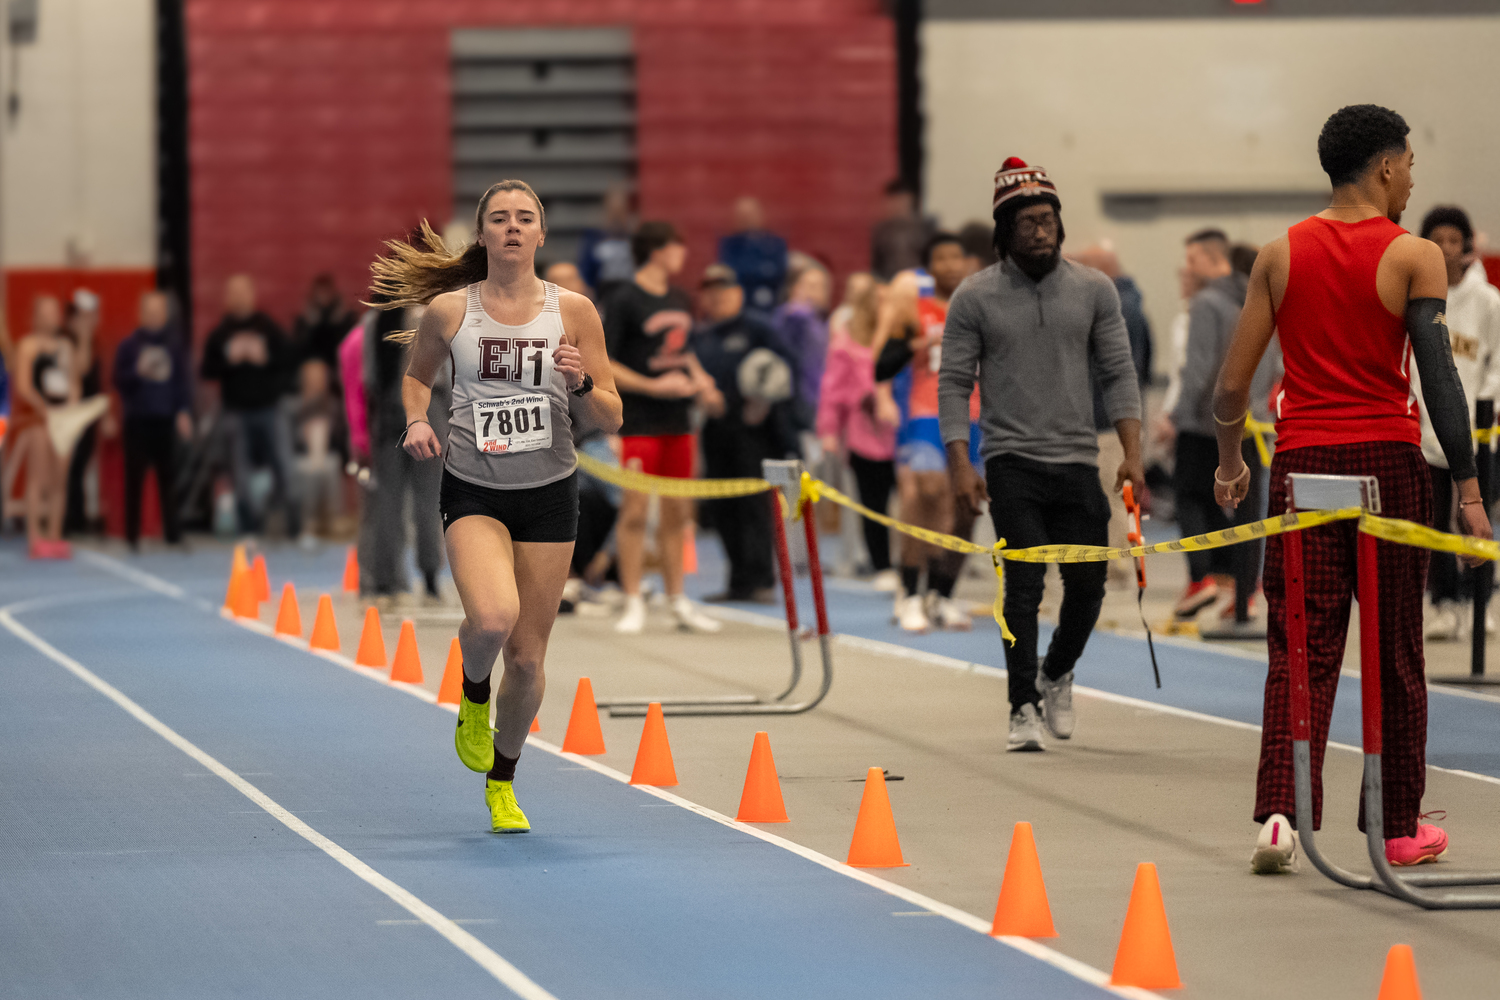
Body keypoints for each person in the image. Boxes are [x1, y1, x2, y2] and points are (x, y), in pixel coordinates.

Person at [1212, 104, 1491, 872]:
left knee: (1298, 644)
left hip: (1302, 466)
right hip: (1389, 468)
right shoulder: (1414, 256)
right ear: (1388, 167)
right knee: (1397, 648)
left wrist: (1233, 462)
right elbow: (1439, 382)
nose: (1410, 185)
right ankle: (1397, 826)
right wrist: (1469, 492)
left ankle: (1279, 814)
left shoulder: (1278, 255)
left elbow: (1230, 389)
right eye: (1409, 169)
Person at [372, 179, 623, 834]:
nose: (513, 227)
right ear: (482, 236)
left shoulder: (575, 312)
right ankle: (472, 693)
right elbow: (416, 376)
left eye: (525, 218)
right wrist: (416, 421)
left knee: (530, 660)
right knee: (490, 620)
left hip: (549, 491)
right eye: (500, 218)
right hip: (475, 486)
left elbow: (612, 416)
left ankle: (503, 782)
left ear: (541, 235)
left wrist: (581, 381)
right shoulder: (452, 311)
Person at [941, 157, 1144, 752]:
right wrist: (961, 461)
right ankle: (1020, 706)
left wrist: (1132, 454)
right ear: (1005, 230)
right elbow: (953, 382)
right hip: (1011, 460)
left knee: (1088, 589)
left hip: (1078, 460)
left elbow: (1119, 372)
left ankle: (1055, 672)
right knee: (1022, 589)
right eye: (1027, 221)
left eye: (1048, 218)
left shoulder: (1094, 289)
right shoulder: (973, 297)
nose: (1040, 229)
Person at [602, 220, 723, 634]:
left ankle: (677, 598)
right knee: (635, 510)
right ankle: (632, 598)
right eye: (677, 246)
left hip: (678, 420)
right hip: (638, 421)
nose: (683, 255)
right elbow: (607, 362)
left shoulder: (678, 296)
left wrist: (702, 382)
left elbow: (683, 352)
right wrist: (654, 386)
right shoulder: (623, 299)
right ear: (657, 250)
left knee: (678, 513)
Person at [874, 233, 983, 633]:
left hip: (974, 417)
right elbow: (881, 365)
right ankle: (911, 591)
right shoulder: (914, 309)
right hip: (927, 413)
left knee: (967, 506)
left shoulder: (979, 307)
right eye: (942, 258)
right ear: (930, 267)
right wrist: (916, 343)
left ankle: (943, 593)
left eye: (957, 258)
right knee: (928, 490)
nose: (951, 265)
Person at [1410, 205, 1500, 641]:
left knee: (1475, 519)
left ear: (1466, 247)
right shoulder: (1417, 296)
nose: (1446, 248)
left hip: (1478, 433)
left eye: (1453, 240)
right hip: (1426, 432)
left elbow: (1498, 363)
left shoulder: (1488, 302)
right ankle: (1443, 603)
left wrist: (1490, 404)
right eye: (1437, 239)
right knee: (1432, 523)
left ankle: (1479, 602)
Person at [692, 263, 796, 602]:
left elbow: (785, 368)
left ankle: (762, 579)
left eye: (723, 290)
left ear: (738, 293)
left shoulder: (758, 328)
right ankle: (738, 581)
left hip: (754, 432)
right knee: (723, 506)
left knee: (753, 506)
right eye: (710, 292)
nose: (716, 297)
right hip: (717, 429)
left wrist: (762, 403)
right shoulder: (701, 336)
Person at [1167, 230, 1245, 616]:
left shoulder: (1207, 303)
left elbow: (1196, 372)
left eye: (1192, 259)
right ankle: (1230, 580)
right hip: (1240, 419)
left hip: (1201, 420)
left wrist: (1178, 416)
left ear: (1213, 259)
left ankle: (1201, 578)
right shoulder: (1246, 298)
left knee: (1189, 497)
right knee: (1222, 503)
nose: (1188, 267)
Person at [1071, 243, 1152, 590]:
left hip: (1108, 420)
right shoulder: (1130, 305)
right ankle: (1117, 561)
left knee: (1113, 492)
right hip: (1109, 417)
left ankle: (1118, 565)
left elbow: (1124, 369)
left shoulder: (1117, 307)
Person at [200, 274, 301, 538]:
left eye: (243, 292)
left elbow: (290, 358)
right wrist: (229, 360)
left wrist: (265, 358)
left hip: (270, 408)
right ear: (227, 298)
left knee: (285, 467)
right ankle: (249, 528)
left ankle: (292, 525)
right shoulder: (221, 333)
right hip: (236, 411)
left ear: (252, 295)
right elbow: (207, 370)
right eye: (233, 293)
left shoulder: (266, 327)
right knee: (240, 473)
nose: (239, 298)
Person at [818, 273, 899, 591]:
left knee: (908, 500)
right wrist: (828, 431)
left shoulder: (903, 339)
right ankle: (882, 564)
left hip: (903, 431)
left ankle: (913, 562)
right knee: (873, 502)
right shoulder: (847, 340)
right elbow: (832, 390)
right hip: (864, 435)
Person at [112, 290, 193, 549]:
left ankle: (173, 533)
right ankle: (132, 535)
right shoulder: (129, 346)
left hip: (165, 419)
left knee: (168, 478)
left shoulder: (174, 345)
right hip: (138, 419)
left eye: (158, 311)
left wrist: (182, 411)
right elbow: (118, 381)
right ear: (141, 313)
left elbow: (182, 382)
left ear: (165, 314)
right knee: (134, 478)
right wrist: (136, 373)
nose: (154, 316)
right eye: (149, 311)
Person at [11, 295, 80, 558]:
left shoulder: (65, 347)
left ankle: (54, 533)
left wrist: (70, 408)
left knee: (59, 479)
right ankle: (34, 535)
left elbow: (73, 382)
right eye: (46, 311)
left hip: (62, 420)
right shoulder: (28, 346)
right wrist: (44, 410)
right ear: (36, 315)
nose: (52, 317)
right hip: (39, 419)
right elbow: (24, 386)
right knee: (38, 476)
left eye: (55, 311)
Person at [61, 288, 105, 535]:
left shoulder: (92, 343)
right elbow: (81, 370)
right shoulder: (65, 342)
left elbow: (96, 382)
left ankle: (77, 517)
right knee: (69, 467)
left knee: (81, 465)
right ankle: (69, 519)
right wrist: (84, 337)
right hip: (67, 415)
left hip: (87, 415)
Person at [717, 196, 788, 317]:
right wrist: (764, 270)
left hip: (773, 305)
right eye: (743, 215)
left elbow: (780, 272)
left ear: (760, 215)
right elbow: (732, 273)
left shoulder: (775, 243)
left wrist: (750, 271)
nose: (747, 219)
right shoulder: (729, 244)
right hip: (741, 308)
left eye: (750, 214)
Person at [292, 273, 357, 392]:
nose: (323, 296)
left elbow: (350, 348)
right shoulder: (305, 320)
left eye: (325, 291)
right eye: (320, 292)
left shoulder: (346, 317)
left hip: (339, 369)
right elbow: (300, 350)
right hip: (314, 372)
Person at [577, 182, 636, 302]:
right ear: (607, 208)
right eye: (613, 208)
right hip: (603, 293)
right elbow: (586, 268)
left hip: (630, 291)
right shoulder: (593, 237)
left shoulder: (634, 236)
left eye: (620, 208)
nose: (616, 213)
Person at [870, 179, 933, 281]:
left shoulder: (925, 228)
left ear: (911, 200)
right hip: (889, 282)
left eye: (902, 201)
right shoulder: (881, 230)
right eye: (894, 201)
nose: (898, 206)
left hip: (920, 281)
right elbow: (877, 265)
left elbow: (931, 261)